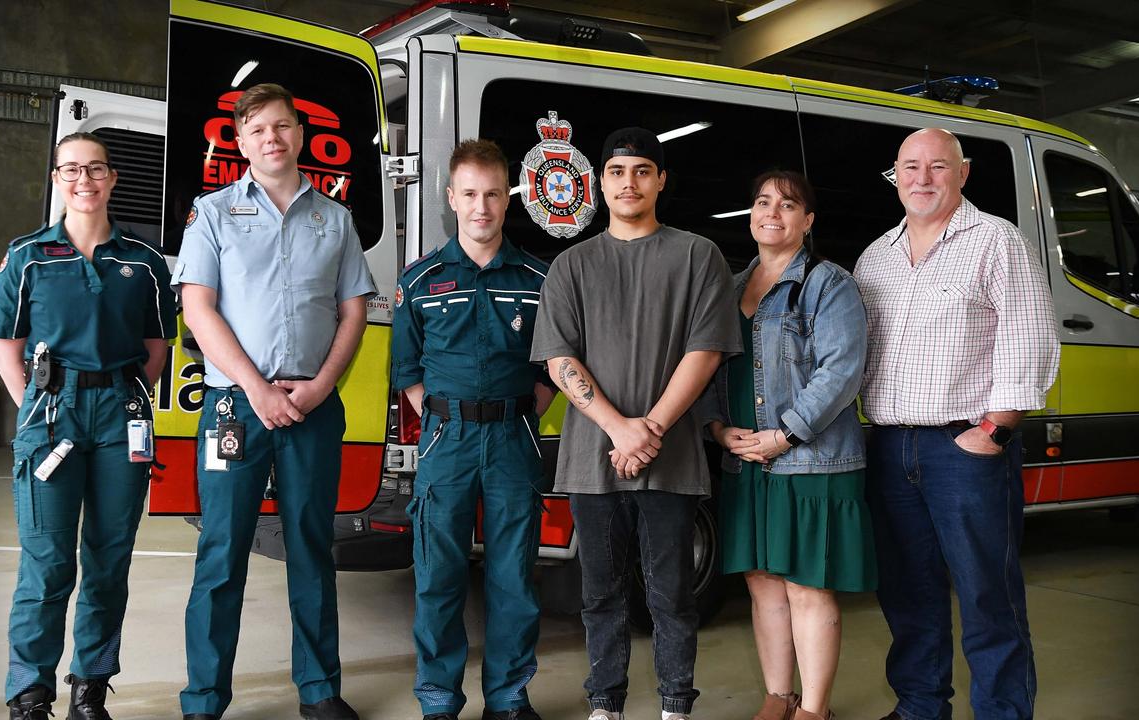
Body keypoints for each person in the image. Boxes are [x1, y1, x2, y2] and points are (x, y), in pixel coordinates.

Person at [173, 83, 376, 720]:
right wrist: (258, 389)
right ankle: (204, 698)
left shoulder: (334, 219)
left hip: (313, 409)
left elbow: (354, 312)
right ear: (240, 141)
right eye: (258, 128)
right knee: (222, 550)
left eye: (283, 126)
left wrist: (318, 387)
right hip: (237, 408)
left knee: (311, 547)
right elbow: (197, 309)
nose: (272, 138)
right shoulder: (212, 213)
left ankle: (319, 692)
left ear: (299, 135)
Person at [530, 127, 737, 720]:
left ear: (661, 180)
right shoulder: (571, 264)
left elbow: (706, 351)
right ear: (600, 182)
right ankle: (606, 703)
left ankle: (676, 704)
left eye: (643, 170)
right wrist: (620, 428)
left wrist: (649, 429)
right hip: (594, 459)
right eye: (618, 172)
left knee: (672, 593)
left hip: (671, 458)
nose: (630, 182)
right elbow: (558, 358)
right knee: (600, 594)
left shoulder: (699, 255)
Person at [855, 128, 1059, 720]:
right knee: (906, 591)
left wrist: (995, 429)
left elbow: (1029, 335)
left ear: (962, 174)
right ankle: (921, 705)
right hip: (891, 446)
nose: (923, 178)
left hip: (964, 448)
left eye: (938, 167)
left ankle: (1003, 711)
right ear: (896, 175)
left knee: (986, 592)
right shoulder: (876, 257)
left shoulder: (997, 241)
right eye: (911, 167)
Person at [0, 131, 176, 720]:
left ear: (113, 178)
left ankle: (89, 689)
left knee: (108, 558)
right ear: (56, 181)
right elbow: (5, 348)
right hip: (52, 413)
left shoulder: (143, 263)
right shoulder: (26, 257)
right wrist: (37, 410)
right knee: (46, 563)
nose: (83, 180)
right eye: (70, 170)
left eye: (95, 169)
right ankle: (29, 693)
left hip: (121, 416)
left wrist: (121, 395)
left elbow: (156, 346)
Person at [697, 170, 875, 720]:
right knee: (763, 584)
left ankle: (814, 709)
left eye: (789, 205)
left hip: (812, 461)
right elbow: (703, 371)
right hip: (747, 460)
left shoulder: (830, 285)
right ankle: (778, 696)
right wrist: (718, 430)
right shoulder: (727, 289)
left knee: (808, 586)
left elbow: (842, 372)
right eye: (762, 202)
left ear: (808, 220)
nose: (773, 213)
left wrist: (785, 434)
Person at [391, 138, 556, 720]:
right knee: (438, 575)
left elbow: (551, 367)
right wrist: (443, 419)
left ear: (506, 199)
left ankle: (508, 698)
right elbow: (407, 369)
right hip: (447, 440)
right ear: (451, 198)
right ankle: (438, 697)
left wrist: (516, 415)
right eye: (469, 194)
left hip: (514, 437)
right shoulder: (419, 280)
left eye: (491, 194)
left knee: (513, 577)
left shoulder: (539, 279)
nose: (481, 207)